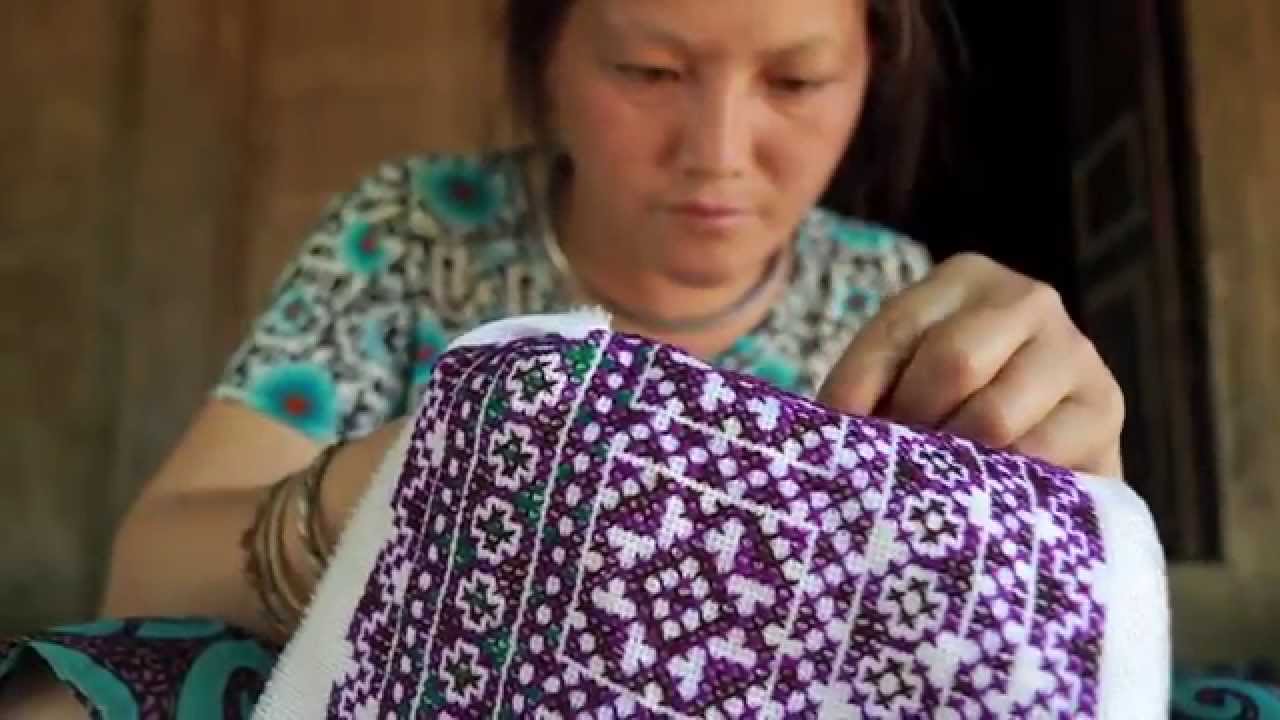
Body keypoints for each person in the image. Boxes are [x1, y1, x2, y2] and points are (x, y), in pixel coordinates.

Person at [0, 0, 1126, 716]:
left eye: (794, 83)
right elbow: (145, 575)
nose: (717, 153)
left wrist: (1074, 513)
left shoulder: (887, 298)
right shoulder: (415, 232)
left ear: (869, 71)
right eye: (648, 71)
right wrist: (422, 481)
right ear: (546, 60)